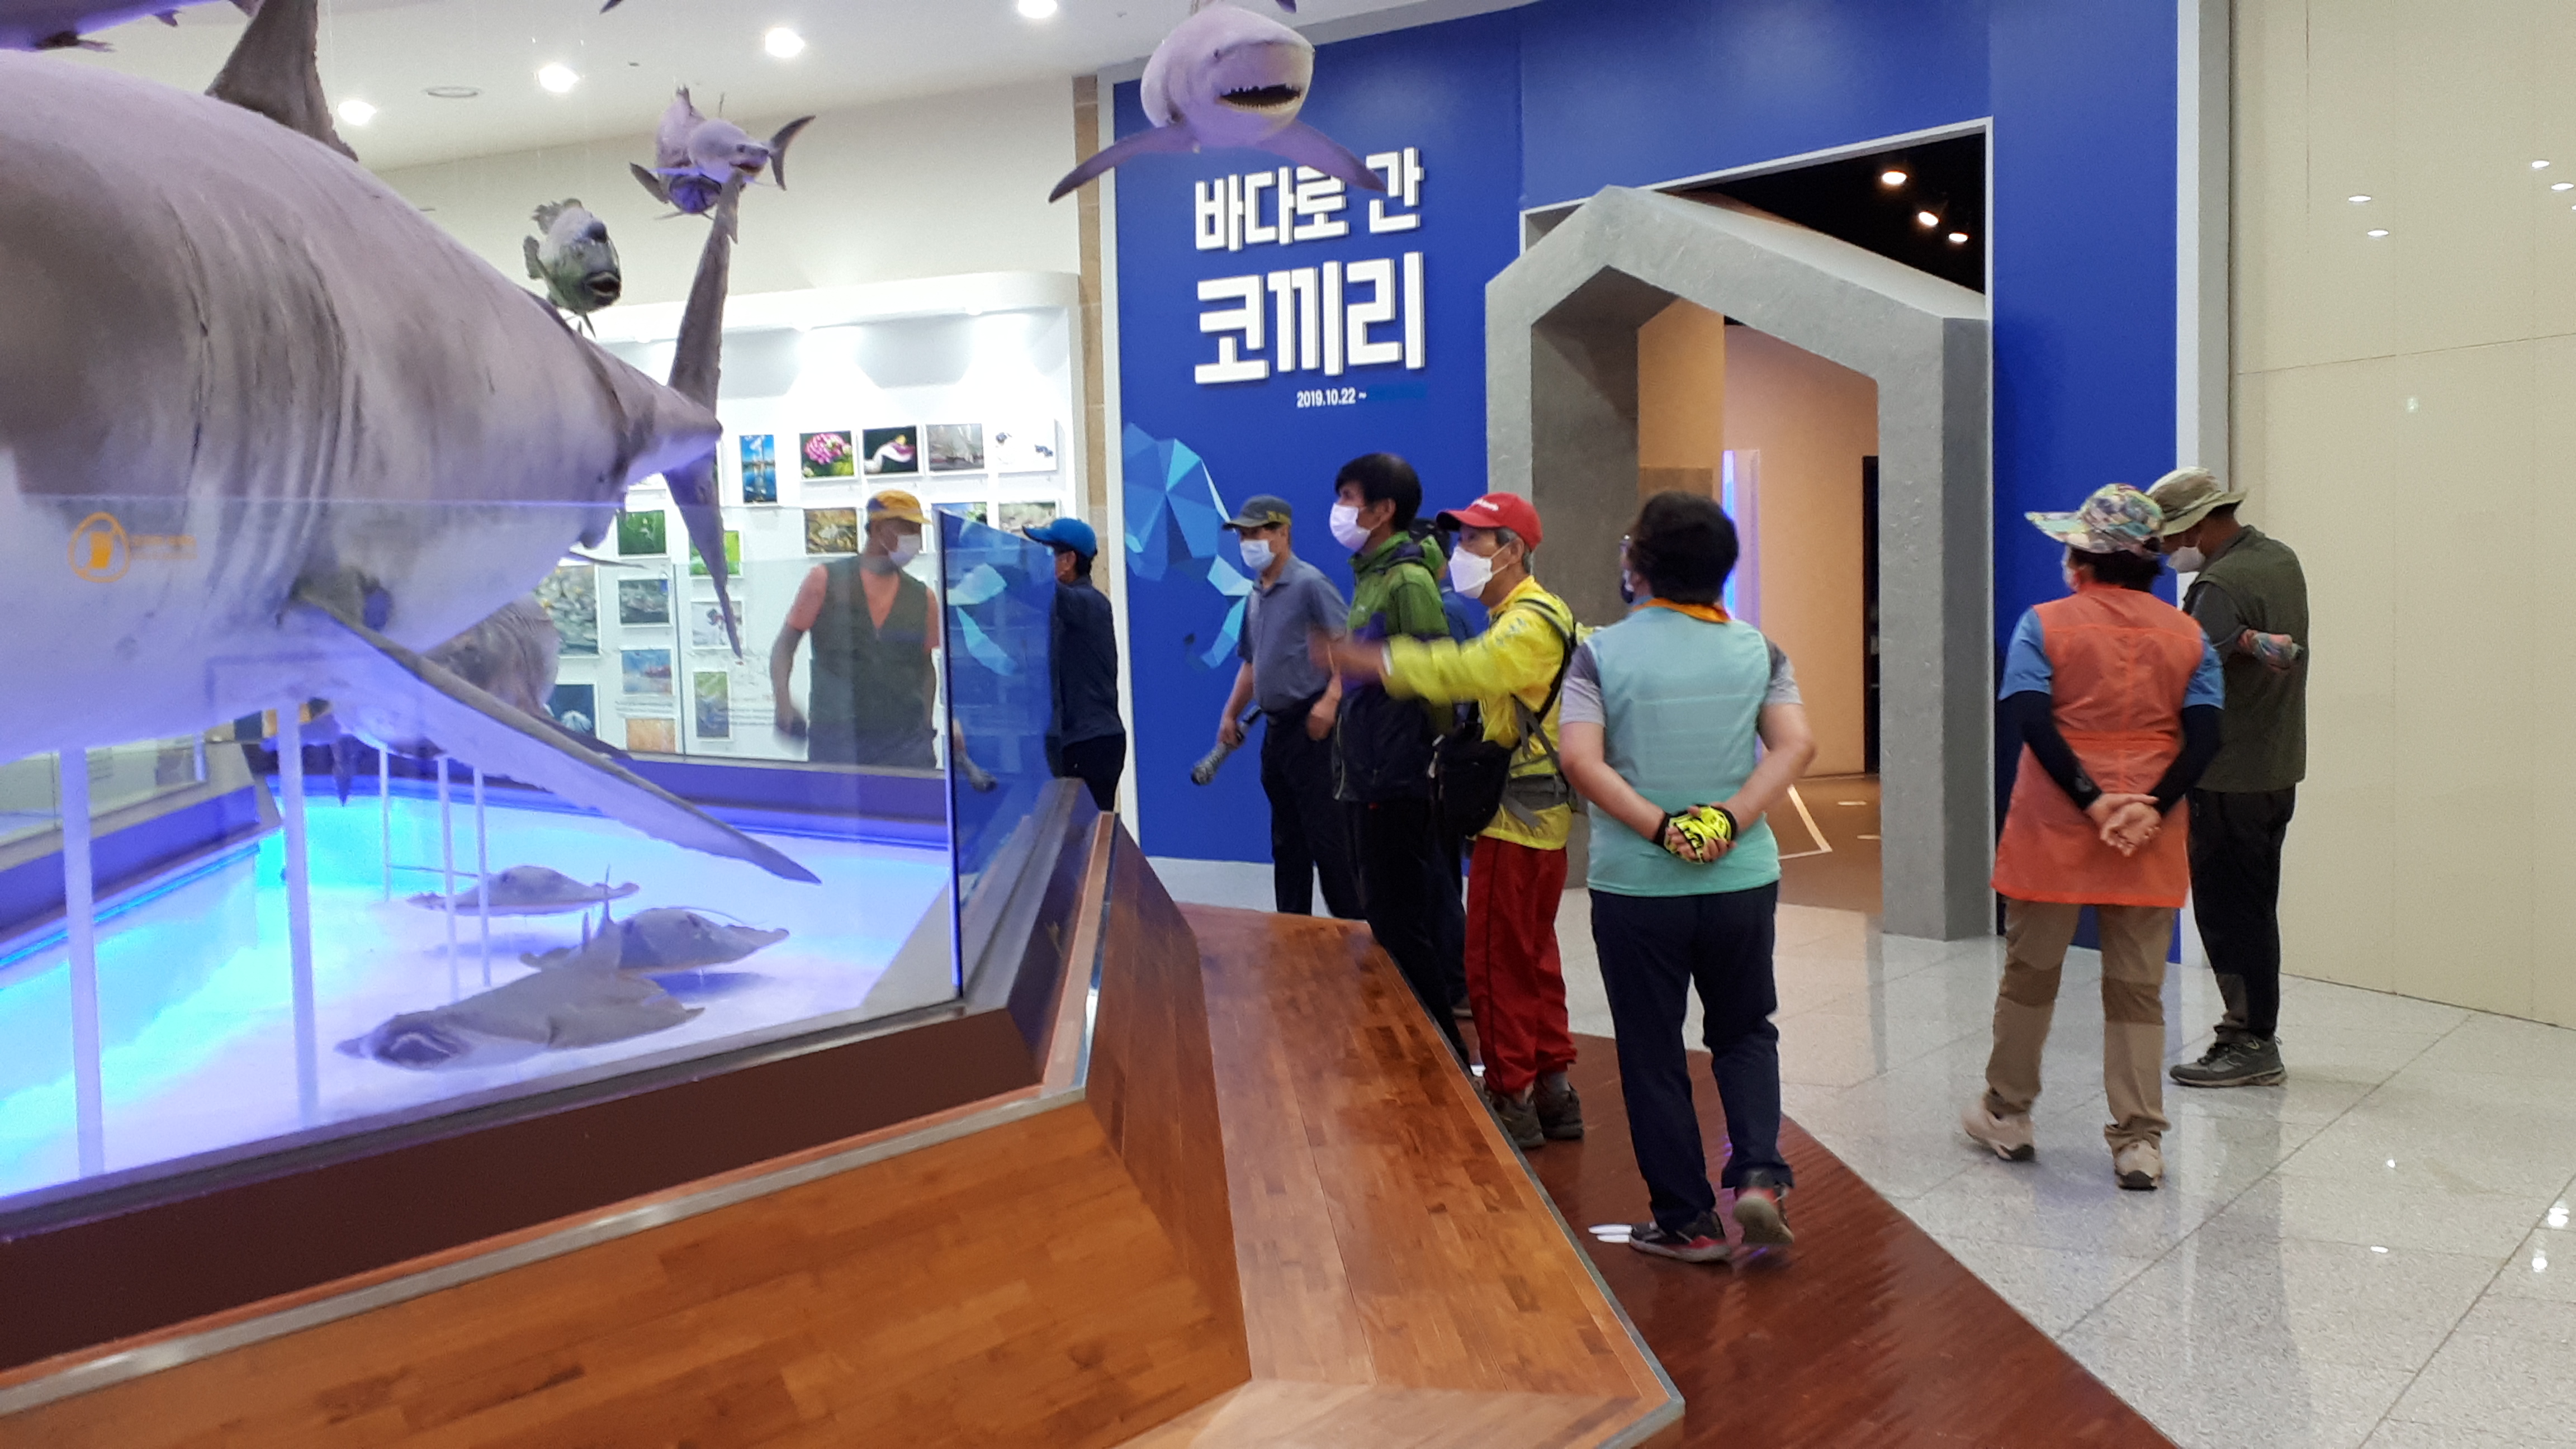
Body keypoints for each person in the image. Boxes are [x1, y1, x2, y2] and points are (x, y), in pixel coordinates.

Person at [1559, 491, 1815, 1263]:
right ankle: (1760, 1175)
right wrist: (1728, 820)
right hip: (1741, 880)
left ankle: (1688, 1221)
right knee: (1745, 1030)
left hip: (1638, 885)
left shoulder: (1601, 653)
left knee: (1652, 1050)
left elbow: (1580, 759)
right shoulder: (1759, 650)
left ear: (1637, 564)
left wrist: (1662, 828)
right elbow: (1794, 745)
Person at [1962, 484, 2224, 1192]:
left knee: (2031, 976)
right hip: (2149, 834)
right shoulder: (2189, 637)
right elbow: (2206, 737)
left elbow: (2029, 717)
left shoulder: (2044, 626)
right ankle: (2139, 1141)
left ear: (2080, 559)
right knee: (2138, 990)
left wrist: (2092, 799)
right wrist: (2150, 805)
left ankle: (2008, 1112)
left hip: (2054, 827)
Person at [1319, 493, 1583, 1150]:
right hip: (1539, 823)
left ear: (1512, 551)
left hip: (1514, 825)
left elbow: (1466, 670)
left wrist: (1379, 661)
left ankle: (1513, 1096)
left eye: (1474, 540)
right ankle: (1552, 1088)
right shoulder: (1534, 614)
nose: (1459, 552)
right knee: (1533, 957)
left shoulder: (1528, 625)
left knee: (1495, 965)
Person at [2148, 467, 2308, 1090]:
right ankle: (2257, 1031)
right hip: (2275, 766)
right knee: (2257, 906)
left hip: (2227, 775)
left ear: (2197, 526)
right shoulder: (2279, 559)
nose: (2166, 550)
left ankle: (2248, 1040)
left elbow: (2177, 679)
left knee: (2227, 913)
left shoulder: (2217, 585)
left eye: (2169, 537)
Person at [1326, 453, 1467, 1060]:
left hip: (1397, 774)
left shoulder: (1407, 581)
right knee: (1383, 915)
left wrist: (1422, 756)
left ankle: (1445, 1054)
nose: (1339, 509)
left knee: (1403, 919)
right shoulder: (1370, 575)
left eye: (1349, 497)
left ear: (1384, 510)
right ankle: (1409, 1045)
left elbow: (1437, 675)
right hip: (1365, 771)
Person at [1215, 495, 1363, 918]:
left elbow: (1348, 651)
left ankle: (1355, 933)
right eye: (1242, 535)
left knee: (1329, 840)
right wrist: (1230, 713)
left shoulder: (1310, 585)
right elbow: (1253, 663)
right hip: (1277, 732)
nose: (1247, 542)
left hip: (1312, 730)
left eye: (1256, 532)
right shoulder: (1256, 594)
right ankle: (1292, 929)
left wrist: (1330, 701)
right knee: (1287, 842)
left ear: (1283, 533)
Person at [774, 490, 939, 768]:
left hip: (905, 745)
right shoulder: (825, 580)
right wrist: (783, 702)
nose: (915, 538)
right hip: (838, 740)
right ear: (878, 528)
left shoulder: (924, 597)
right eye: (907, 528)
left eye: (918, 530)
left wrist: (927, 727)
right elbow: (785, 646)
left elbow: (926, 668)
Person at [1024, 516, 1126, 812]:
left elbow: (1047, 593)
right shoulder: (1067, 608)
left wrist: (1013, 568)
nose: (1040, 560)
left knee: (1086, 832)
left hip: (1092, 743)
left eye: (1047, 553)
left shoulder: (1088, 603)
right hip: (1074, 741)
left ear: (1068, 560)